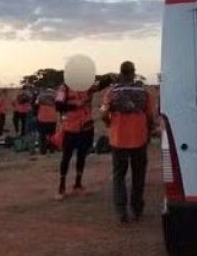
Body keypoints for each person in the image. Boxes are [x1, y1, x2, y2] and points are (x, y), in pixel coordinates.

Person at [100, 62, 156, 224]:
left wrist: (110, 124)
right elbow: (150, 117)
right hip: (139, 138)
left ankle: (121, 211)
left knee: (119, 176)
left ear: (121, 73)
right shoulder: (143, 92)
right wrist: (149, 131)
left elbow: (104, 113)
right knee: (138, 175)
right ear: (133, 73)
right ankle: (137, 209)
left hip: (118, 139)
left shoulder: (112, 92)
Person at [54, 80, 97, 199]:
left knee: (82, 155)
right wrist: (76, 105)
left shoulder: (87, 87)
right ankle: (61, 187)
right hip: (70, 128)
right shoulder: (64, 88)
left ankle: (78, 184)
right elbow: (58, 105)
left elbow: (98, 86)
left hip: (85, 127)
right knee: (66, 157)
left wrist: (109, 79)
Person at [35, 88, 58, 155]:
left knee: (42, 135)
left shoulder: (40, 97)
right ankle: (52, 149)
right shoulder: (55, 96)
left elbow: (35, 106)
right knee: (52, 135)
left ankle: (43, 150)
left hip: (42, 118)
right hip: (52, 118)